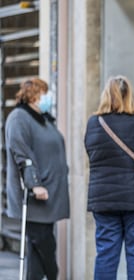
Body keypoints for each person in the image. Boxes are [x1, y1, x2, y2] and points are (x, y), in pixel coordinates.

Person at [84, 76, 134, 280]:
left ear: (105, 96)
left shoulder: (93, 123)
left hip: (104, 200)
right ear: (130, 96)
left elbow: (90, 150)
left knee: (106, 254)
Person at [5, 78, 70, 280]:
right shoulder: (19, 118)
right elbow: (21, 154)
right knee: (44, 244)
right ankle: (53, 276)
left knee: (37, 249)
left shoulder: (43, 119)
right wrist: (35, 185)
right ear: (32, 95)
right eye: (44, 93)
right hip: (35, 198)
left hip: (50, 194)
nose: (48, 97)